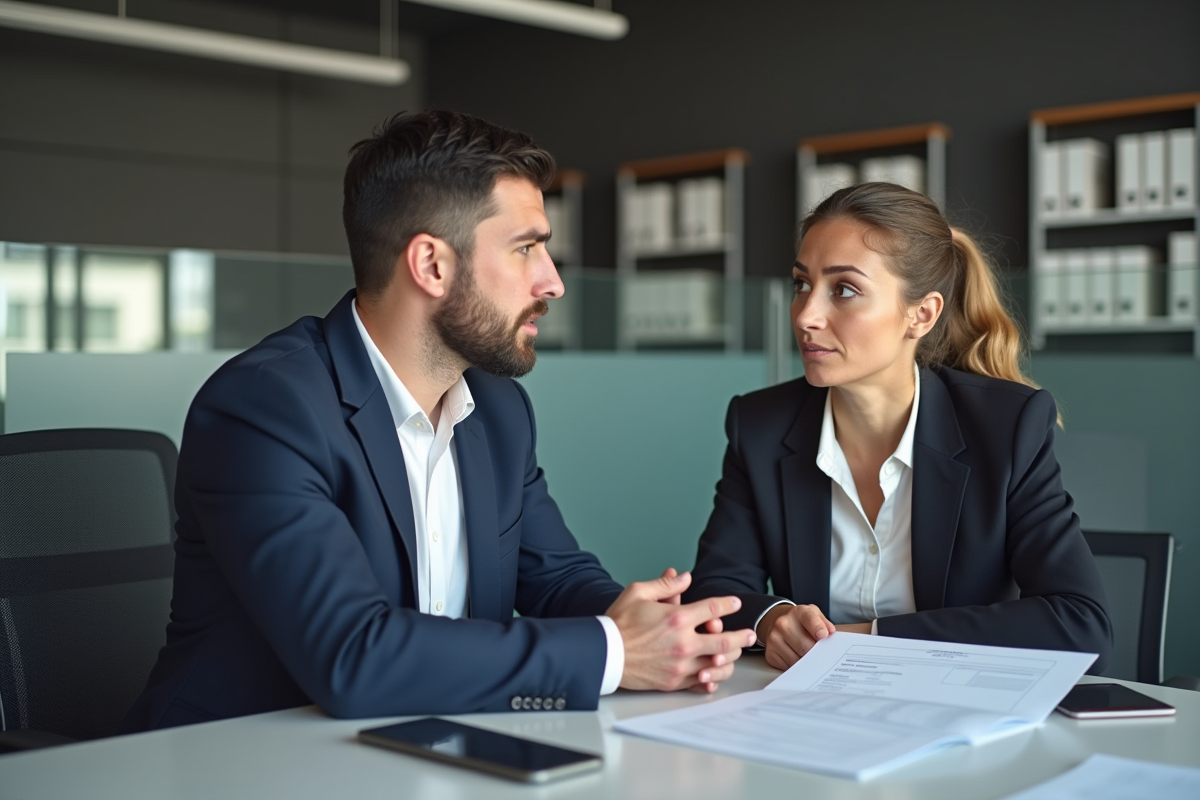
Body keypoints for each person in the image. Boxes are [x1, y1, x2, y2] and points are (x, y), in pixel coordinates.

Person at [123, 110, 755, 731]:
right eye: (526, 249)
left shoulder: (497, 408)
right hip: (238, 761)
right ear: (431, 265)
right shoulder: (265, 406)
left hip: (420, 745)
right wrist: (614, 654)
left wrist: (653, 624)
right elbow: (353, 655)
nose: (553, 281)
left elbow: (556, 578)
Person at [685, 182, 1112, 672]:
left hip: (958, 716)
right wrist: (772, 618)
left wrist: (864, 639)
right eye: (802, 284)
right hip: (810, 717)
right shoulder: (760, 424)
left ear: (921, 314)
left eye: (844, 290)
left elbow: (1081, 624)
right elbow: (714, 588)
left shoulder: (1006, 426)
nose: (806, 315)